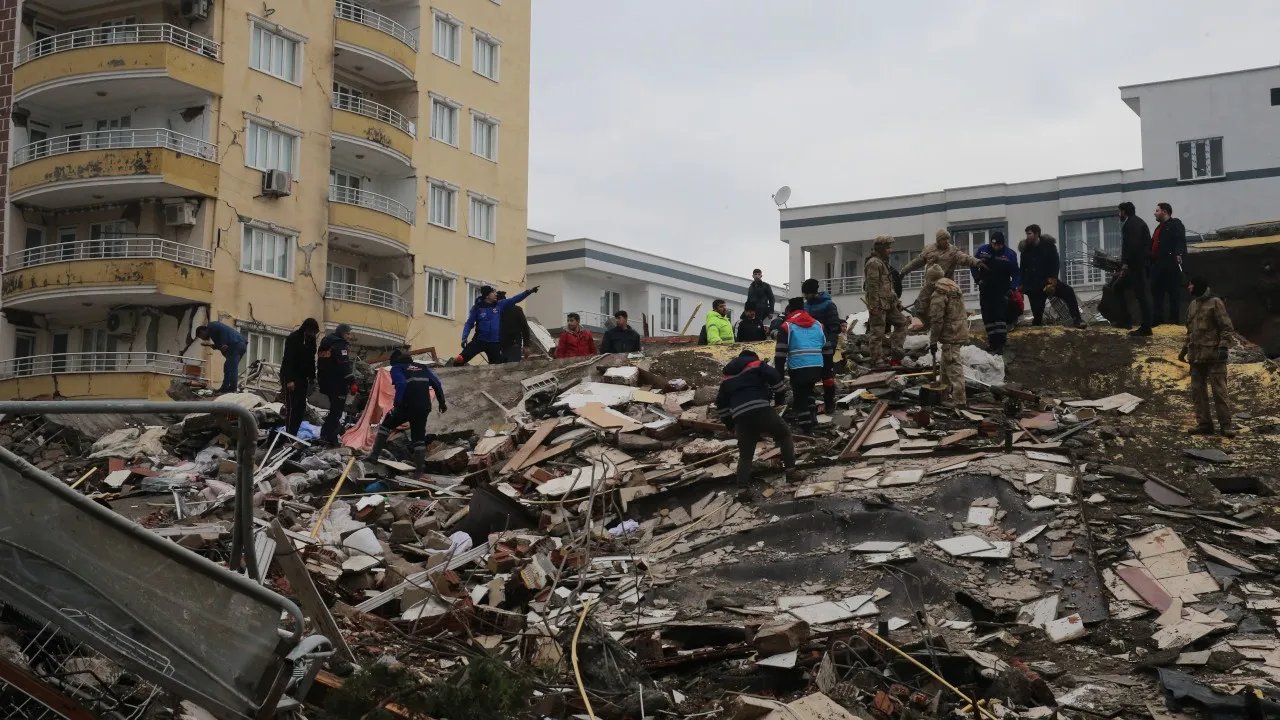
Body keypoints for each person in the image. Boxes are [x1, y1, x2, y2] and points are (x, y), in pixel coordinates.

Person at [713, 349, 799, 488]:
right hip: (760, 408)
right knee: (784, 435)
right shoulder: (756, 364)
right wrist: (779, 399)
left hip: (740, 417)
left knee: (745, 454)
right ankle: (791, 472)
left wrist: (730, 425)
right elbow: (775, 376)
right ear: (754, 357)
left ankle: (742, 489)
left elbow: (721, 405)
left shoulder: (727, 378)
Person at [367, 349, 447, 473]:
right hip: (423, 407)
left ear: (394, 362)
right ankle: (420, 469)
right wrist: (442, 403)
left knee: (386, 424)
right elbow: (437, 383)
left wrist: (397, 403)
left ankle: (373, 456)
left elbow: (401, 384)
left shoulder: (397, 368)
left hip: (407, 406)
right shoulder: (423, 368)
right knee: (418, 437)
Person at [1179, 277, 1236, 438]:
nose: (1189, 286)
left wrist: (1224, 347)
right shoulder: (1192, 305)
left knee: (1219, 392)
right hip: (1196, 357)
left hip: (1214, 356)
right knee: (1197, 392)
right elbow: (1190, 332)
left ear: (1198, 285)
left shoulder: (1216, 303)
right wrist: (1184, 351)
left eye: (1191, 284)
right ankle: (1204, 424)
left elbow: (1227, 328)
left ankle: (1226, 426)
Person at [902, 229, 983, 315]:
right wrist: (904, 271)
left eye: (948, 239)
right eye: (944, 239)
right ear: (938, 240)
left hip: (946, 283)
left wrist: (977, 262)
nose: (947, 241)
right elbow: (917, 262)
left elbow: (964, 258)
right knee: (924, 298)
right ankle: (918, 314)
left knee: (950, 303)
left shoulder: (953, 251)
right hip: (931, 282)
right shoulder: (929, 249)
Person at [458, 285, 538, 364]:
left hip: (494, 343)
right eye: (493, 292)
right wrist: (464, 337)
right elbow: (469, 323)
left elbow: (514, 299)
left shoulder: (499, 305)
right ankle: (453, 368)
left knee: (498, 365)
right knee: (462, 357)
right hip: (479, 340)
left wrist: (528, 292)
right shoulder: (477, 308)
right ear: (487, 296)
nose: (495, 294)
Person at [860, 236, 908, 367]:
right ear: (880, 248)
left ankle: (895, 351)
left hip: (889, 303)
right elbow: (872, 286)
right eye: (887, 248)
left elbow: (887, 286)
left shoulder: (883, 262)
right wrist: (874, 305)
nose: (890, 250)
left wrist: (896, 302)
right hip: (879, 305)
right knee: (877, 332)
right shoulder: (874, 263)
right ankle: (877, 359)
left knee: (902, 323)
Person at [926, 264, 969, 407]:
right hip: (958, 329)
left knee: (953, 365)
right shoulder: (953, 286)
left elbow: (937, 319)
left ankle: (959, 399)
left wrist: (933, 341)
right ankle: (943, 394)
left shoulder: (939, 292)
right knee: (945, 364)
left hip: (950, 333)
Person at [972, 231, 1020, 354]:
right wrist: (977, 279)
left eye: (998, 245)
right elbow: (972, 264)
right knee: (988, 316)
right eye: (994, 245)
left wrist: (1012, 288)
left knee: (999, 317)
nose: (996, 247)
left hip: (1001, 290)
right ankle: (992, 343)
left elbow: (1016, 274)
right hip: (986, 289)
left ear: (1002, 244)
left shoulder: (1009, 254)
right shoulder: (983, 250)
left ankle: (1001, 344)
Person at [781, 301, 826, 427]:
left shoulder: (787, 326)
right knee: (809, 392)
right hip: (817, 366)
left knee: (800, 396)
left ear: (789, 312)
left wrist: (779, 373)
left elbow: (780, 354)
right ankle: (813, 419)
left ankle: (805, 425)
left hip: (798, 367)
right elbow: (825, 346)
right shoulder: (818, 324)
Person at [801, 278, 842, 411]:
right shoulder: (806, 306)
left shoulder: (829, 305)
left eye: (806, 294)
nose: (805, 296)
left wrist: (830, 345)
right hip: (809, 348)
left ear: (813, 292)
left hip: (825, 347)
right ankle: (810, 406)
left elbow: (834, 328)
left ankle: (829, 403)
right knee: (809, 377)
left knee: (826, 376)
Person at [1117, 201, 1154, 336]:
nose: (1118, 214)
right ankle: (1126, 320)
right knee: (1120, 288)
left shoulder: (1131, 224)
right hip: (1139, 264)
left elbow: (1132, 246)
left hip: (1137, 266)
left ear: (1124, 212)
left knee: (1141, 295)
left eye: (1119, 211)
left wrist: (1125, 263)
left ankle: (1145, 327)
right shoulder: (1138, 222)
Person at [317, 324, 358, 445]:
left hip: (326, 381)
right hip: (338, 383)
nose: (349, 337)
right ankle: (330, 437)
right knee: (337, 412)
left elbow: (322, 364)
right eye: (348, 334)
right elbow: (343, 365)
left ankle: (326, 435)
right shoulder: (339, 345)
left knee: (335, 410)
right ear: (342, 333)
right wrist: (352, 382)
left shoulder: (326, 343)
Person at [279, 318, 319, 436]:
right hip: (291, 375)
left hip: (303, 377)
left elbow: (311, 359)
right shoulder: (294, 338)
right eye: (312, 332)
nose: (313, 335)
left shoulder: (311, 341)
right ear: (307, 329)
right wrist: (290, 380)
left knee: (300, 407)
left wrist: (312, 377)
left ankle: (294, 433)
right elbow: (288, 359)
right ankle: (289, 434)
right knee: (292, 406)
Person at [1151, 202, 1188, 326]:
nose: (1155, 213)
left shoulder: (1175, 224)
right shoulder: (1158, 228)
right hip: (1157, 265)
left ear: (1165, 212)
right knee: (1157, 293)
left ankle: (1173, 320)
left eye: (1157, 210)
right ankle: (1157, 319)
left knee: (1173, 293)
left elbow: (1180, 240)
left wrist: (1178, 254)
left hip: (1170, 266)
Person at [1019, 225, 1061, 326]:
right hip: (1031, 285)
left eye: (1029, 233)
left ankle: (1077, 318)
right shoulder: (1025, 249)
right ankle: (1037, 325)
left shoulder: (1048, 247)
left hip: (1046, 282)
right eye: (1027, 234)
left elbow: (1055, 263)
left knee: (1068, 292)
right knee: (1036, 310)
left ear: (1037, 234)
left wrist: (1053, 278)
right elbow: (1022, 268)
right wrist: (1021, 283)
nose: (1027, 236)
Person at [195, 321, 247, 394]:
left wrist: (223, 343)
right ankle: (226, 388)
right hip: (239, 345)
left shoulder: (211, 326)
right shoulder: (214, 334)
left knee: (231, 367)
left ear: (202, 331)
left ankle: (231, 388)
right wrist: (212, 345)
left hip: (237, 344)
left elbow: (221, 330)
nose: (203, 338)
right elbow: (221, 346)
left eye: (201, 336)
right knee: (228, 366)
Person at [496, 290, 532, 362]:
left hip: (506, 344)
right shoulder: (517, 309)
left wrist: (526, 345)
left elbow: (525, 328)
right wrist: (526, 345)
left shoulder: (497, 311)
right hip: (512, 344)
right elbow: (525, 328)